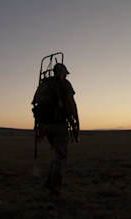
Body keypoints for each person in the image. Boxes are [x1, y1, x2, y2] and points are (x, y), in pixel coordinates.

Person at [34, 63, 79, 196]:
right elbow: (71, 103)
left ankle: (50, 182)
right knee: (61, 156)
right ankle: (55, 188)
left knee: (57, 154)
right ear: (62, 72)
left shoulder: (45, 84)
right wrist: (75, 120)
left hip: (45, 126)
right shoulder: (64, 84)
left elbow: (36, 103)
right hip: (59, 124)